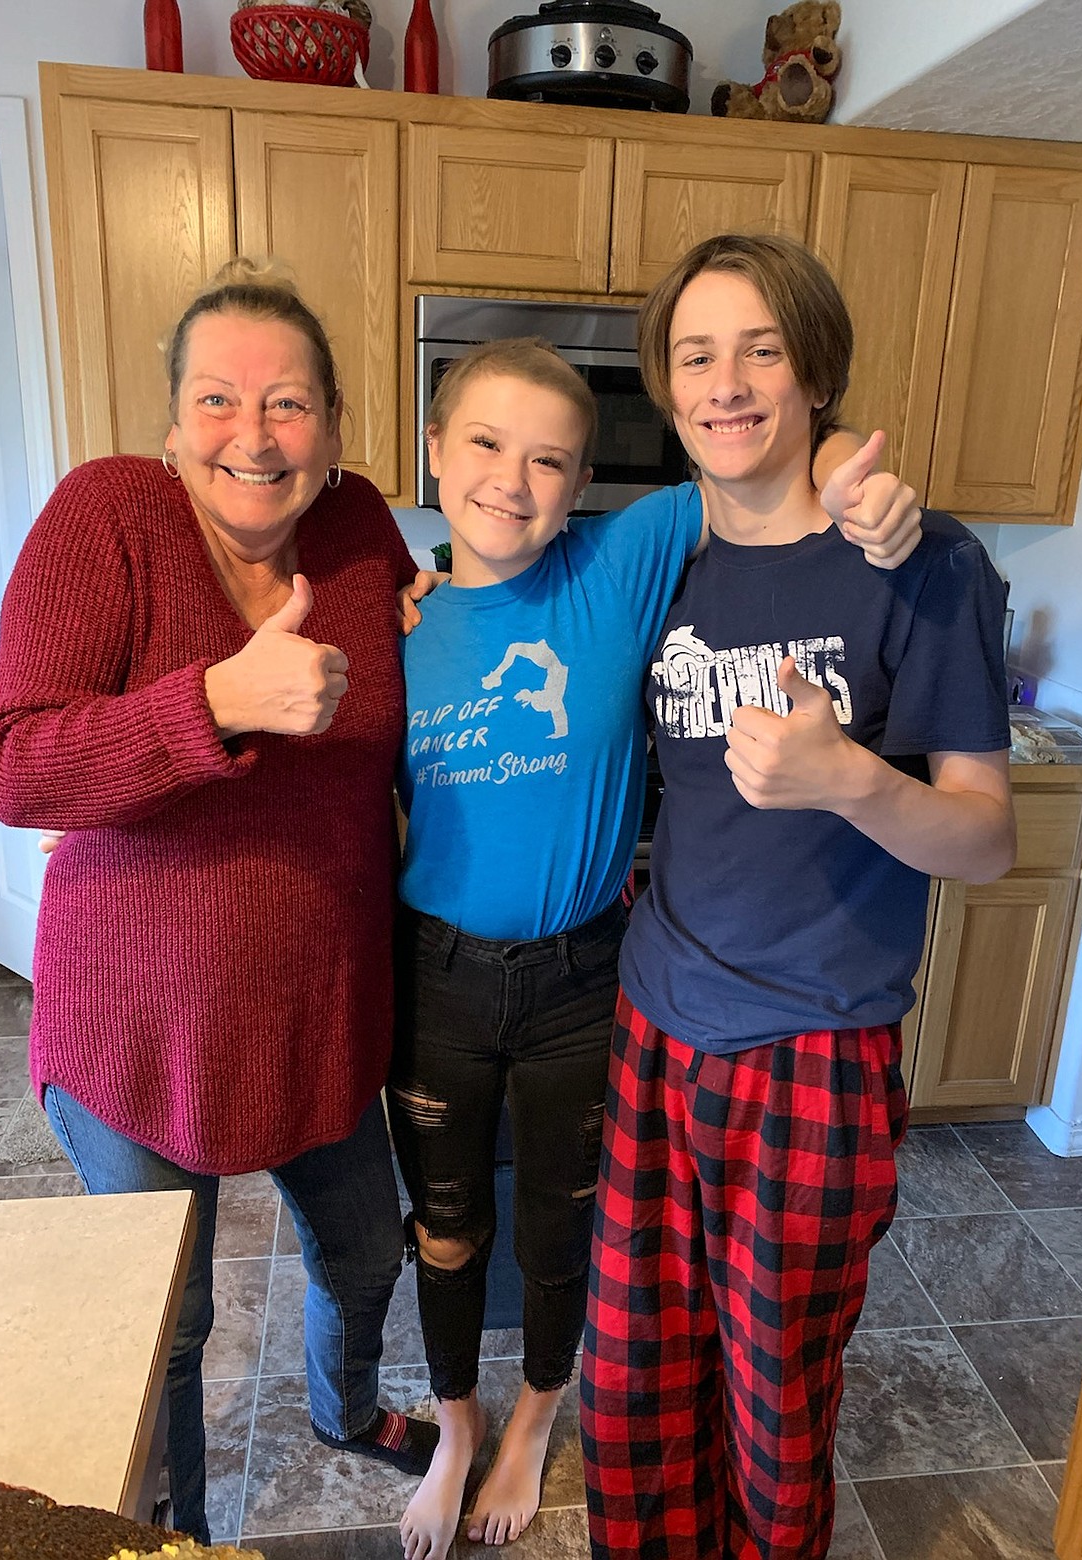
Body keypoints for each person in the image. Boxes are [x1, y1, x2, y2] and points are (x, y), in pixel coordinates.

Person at [387, 335, 923, 1560]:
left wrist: (846, 466)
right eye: (483, 444)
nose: (511, 482)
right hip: (437, 980)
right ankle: (458, 1430)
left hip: (586, 977)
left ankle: (533, 1423)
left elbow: (762, 456)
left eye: (549, 461)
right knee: (450, 1224)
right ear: (432, 448)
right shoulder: (393, 613)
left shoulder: (621, 563)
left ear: (584, 484)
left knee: (567, 1231)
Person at [0, 259, 439, 1544]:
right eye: (220, 399)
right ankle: (173, 1526)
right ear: (173, 420)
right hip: (138, 1028)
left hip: (322, 1009)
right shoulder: (108, 516)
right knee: (169, 1320)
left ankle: (345, 1411)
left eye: (288, 404)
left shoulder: (358, 531)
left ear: (336, 432)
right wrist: (217, 702)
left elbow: (423, 650)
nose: (255, 433)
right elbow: (14, 762)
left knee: (362, 1255)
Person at [577, 232, 1017, 1560]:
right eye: (696, 355)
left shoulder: (924, 566)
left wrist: (848, 781)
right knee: (631, 1395)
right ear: (662, 384)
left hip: (818, 1048)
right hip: (655, 1026)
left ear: (813, 371)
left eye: (760, 349)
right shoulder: (654, 560)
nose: (726, 384)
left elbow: (986, 841)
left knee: (772, 1411)